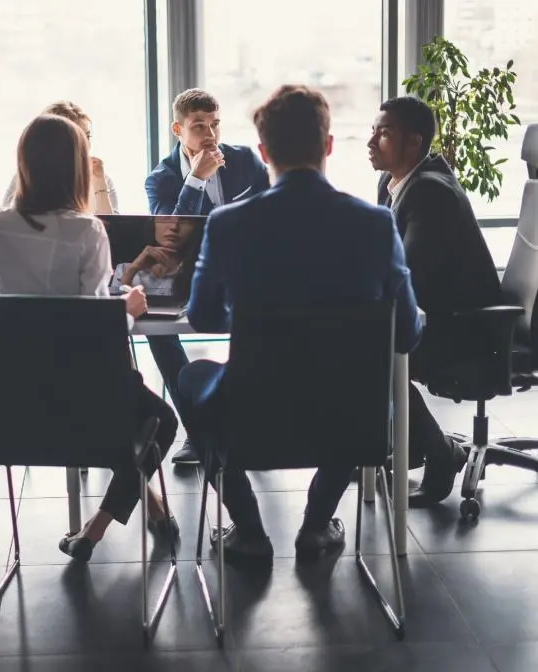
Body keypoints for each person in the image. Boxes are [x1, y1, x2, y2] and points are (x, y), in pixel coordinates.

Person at [177, 85, 421, 569]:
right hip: (348, 419)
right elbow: (408, 333)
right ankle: (315, 525)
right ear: (328, 145)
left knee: (190, 380)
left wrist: (254, 314)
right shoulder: (374, 224)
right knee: (363, 390)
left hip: (253, 415)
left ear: (263, 151)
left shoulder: (227, 224)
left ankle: (248, 528)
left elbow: (203, 318)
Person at [0, 114, 178, 562]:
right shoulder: (87, 231)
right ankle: (96, 528)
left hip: (11, 403)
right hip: (85, 398)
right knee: (158, 419)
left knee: (125, 407)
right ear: (77, 168)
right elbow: (97, 330)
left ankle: (137, 514)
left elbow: (5, 297)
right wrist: (127, 307)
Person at [368, 96, 500, 506]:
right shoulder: (394, 182)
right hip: (434, 311)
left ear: (413, 143)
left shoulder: (429, 191)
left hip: (463, 326)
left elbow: (409, 273)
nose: (371, 141)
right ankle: (412, 445)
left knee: (373, 352)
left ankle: (440, 451)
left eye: (383, 133)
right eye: (373, 130)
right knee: (367, 340)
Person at [144, 89, 271, 464]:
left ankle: (250, 421)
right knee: (155, 330)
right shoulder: (161, 180)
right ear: (177, 129)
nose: (211, 135)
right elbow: (172, 239)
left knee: (264, 322)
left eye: (215, 124)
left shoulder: (245, 161)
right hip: (187, 276)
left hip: (245, 274)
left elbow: (267, 217)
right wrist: (196, 181)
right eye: (199, 126)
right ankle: (198, 429)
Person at [2, 100, 118, 215]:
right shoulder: (25, 178)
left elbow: (114, 230)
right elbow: (8, 222)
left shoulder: (102, 179)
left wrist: (99, 183)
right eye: (77, 138)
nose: (86, 144)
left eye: (87, 136)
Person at [109, 216, 198, 300]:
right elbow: (116, 309)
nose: (174, 227)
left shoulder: (198, 272)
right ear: (153, 222)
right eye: (166, 218)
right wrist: (132, 270)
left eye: (184, 220)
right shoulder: (124, 269)